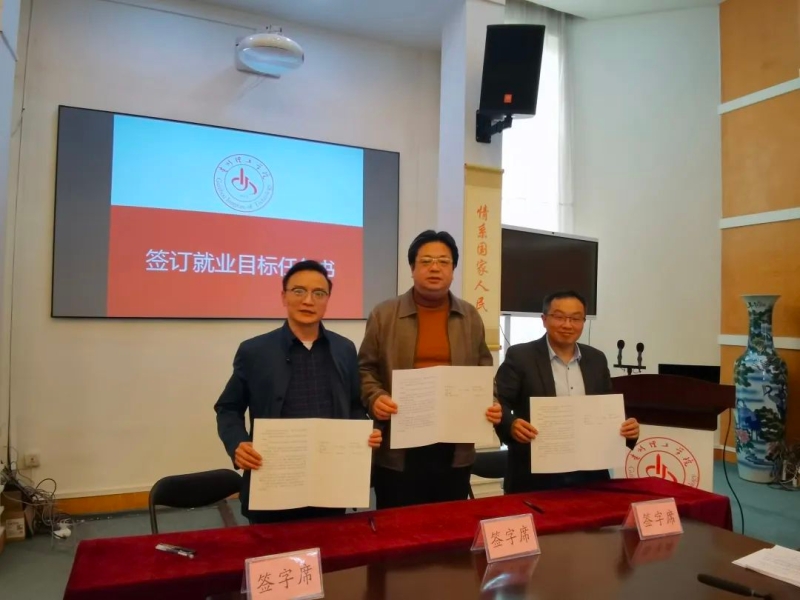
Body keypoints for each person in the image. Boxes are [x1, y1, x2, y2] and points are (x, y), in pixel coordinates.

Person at [214, 260, 381, 524]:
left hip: (330, 481)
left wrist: (363, 430)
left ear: (327, 300)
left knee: (331, 546)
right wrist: (238, 443)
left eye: (319, 293)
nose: (308, 300)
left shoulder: (344, 349)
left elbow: (354, 405)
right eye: (299, 291)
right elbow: (228, 408)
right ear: (284, 296)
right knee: (274, 549)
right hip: (273, 479)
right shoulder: (254, 351)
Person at [358, 230, 502, 509]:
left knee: (449, 522)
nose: (435, 268)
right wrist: (375, 397)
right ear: (412, 268)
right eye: (426, 261)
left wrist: (491, 401)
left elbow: (483, 369)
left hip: (454, 444)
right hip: (400, 443)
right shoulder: (384, 314)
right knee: (398, 524)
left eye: (443, 261)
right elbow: (365, 369)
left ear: (453, 269)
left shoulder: (470, 316)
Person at [494, 290, 639, 493]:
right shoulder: (520, 356)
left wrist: (628, 429)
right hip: (535, 472)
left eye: (575, 318)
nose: (567, 325)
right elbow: (497, 400)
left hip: (590, 473)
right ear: (544, 319)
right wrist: (511, 425)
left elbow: (607, 407)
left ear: (583, 322)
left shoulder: (596, 359)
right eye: (559, 317)